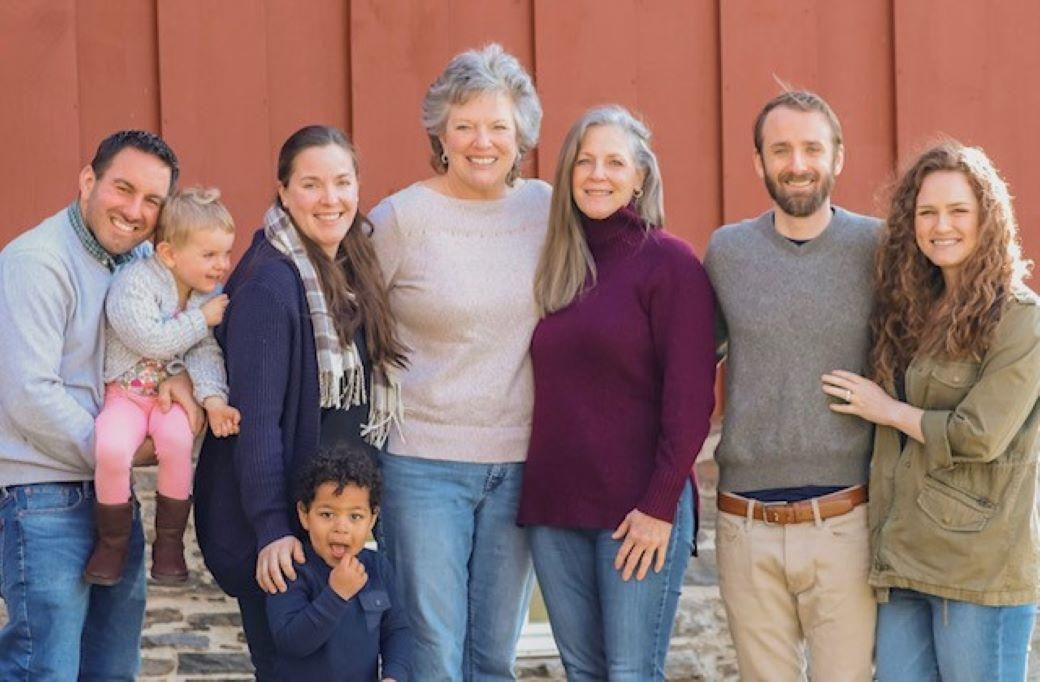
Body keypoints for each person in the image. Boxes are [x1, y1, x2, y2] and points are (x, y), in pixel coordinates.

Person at [194, 124, 406, 681]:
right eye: (311, 184)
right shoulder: (271, 285)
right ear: (283, 192)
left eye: (341, 181)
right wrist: (272, 529)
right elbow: (256, 423)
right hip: (289, 532)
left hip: (335, 519)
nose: (329, 198)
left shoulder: (350, 266)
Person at [822, 141, 1040, 681]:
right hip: (903, 560)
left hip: (976, 571)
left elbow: (980, 435)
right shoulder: (913, 311)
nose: (941, 225)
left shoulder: (1020, 319)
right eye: (927, 212)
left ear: (987, 218)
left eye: (958, 210)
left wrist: (887, 410)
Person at [368, 43, 550, 680]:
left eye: (498, 126)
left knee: (492, 658)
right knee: (434, 655)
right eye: (465, 125)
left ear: (521, 133)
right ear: (440, 133)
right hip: (423, 463)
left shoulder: (548, 211)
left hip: (522, 463)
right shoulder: (402, 219)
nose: (482, 142)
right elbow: (349, 320)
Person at [517, 105, 716, 679]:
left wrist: (659, 506)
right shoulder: (557, 264)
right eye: (585, 161)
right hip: (555, 511)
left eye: (613, 162)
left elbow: (690, 404)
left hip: (637, 512)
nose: (597, 174)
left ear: (640, 177)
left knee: (630, 673)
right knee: (585, 673)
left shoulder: (669, 264)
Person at [0, 130, 198, 679]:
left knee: (112, 668)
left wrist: (178, 377)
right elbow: (29, 395)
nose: (135, 211)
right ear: (88, 181)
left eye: (152, 201)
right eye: (123, 189)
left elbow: (157, 341)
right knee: (46, 668)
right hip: (42, 498)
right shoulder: (37, 263)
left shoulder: (140, 263)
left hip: (109, 498)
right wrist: (125, 452)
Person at [703, 91, 881, 681]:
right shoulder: (728, 252)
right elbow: (691, 361)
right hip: (744, 522)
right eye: (781, 149)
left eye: (812, 148)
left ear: (838, 157)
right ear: (758, 162)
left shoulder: (877, 248)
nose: (797, 163)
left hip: (847, 519)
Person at [87, 187, 240, 587]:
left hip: (167, 400)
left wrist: (213, 400)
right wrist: (201, 319)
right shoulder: (134, 283)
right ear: (170, 254)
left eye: (226, 253)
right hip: (125, 394)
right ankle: (112, 543)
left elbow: (205, 352)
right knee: (110, 447)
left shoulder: (204, 294)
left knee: (177, 442)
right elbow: (148, 339)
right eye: (209, 255)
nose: (222, 265)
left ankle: (169, 544)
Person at [267, 444, 411, 680]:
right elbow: (290, 642)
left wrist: (395, 675)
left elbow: (397, 631)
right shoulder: (291, 568)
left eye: (355, 516)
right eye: (327, 514)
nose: (341, 527)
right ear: (305, 514)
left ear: (372, 518)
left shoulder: (377, 568)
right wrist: (336, 595)